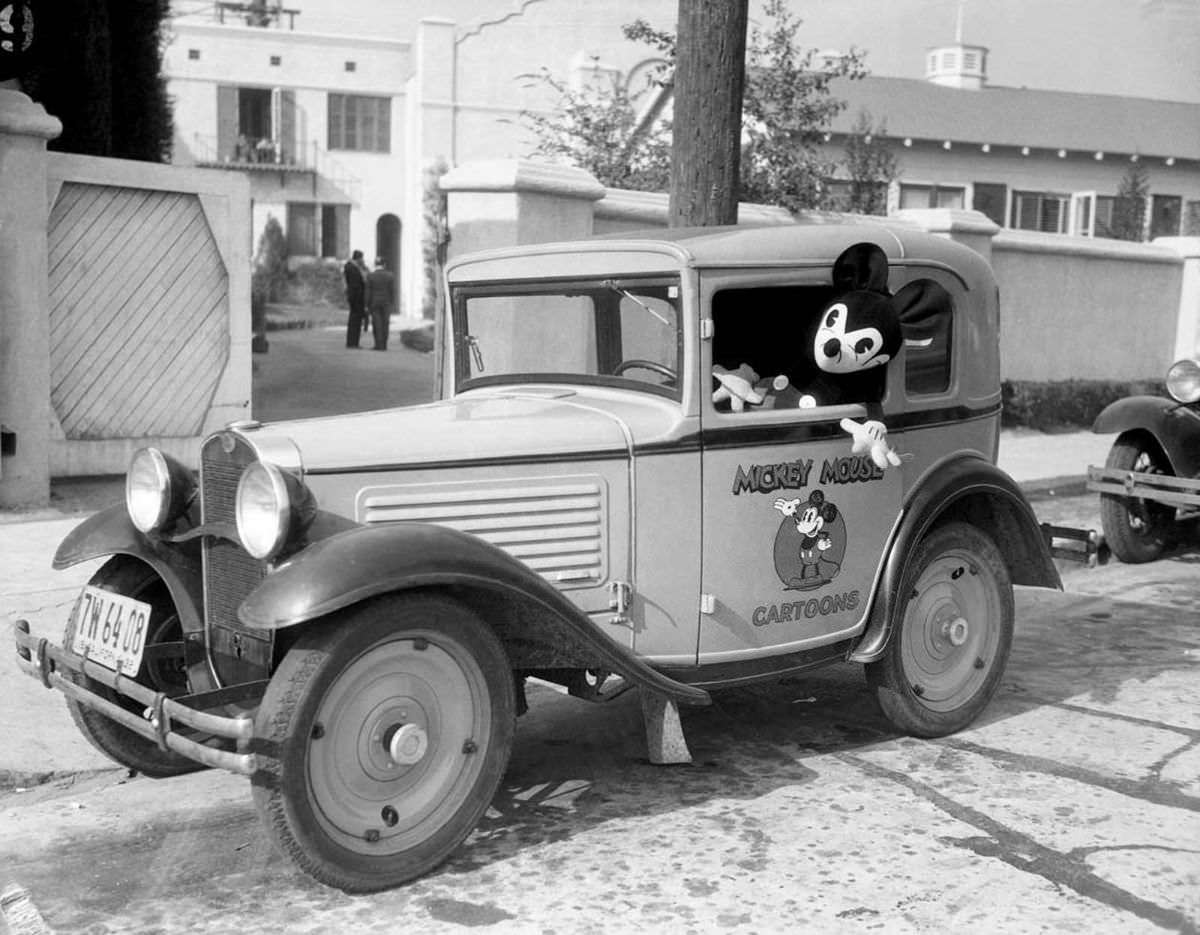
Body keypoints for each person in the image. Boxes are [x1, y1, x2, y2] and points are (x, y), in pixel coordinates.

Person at [365, 257, 396, 351]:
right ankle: (384, 344)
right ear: (384, 265)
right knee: (385, 324)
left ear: (375, 265)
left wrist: (366, 304)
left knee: (376, 324)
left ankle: (378, 345)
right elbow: (392, 291)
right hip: (386, 303)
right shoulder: (390, 275)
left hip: (374, 303)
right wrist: (392, 302)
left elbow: (367, 292)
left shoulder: (370, 276)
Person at [342, 249, 368, 348]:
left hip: (355, 296)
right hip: (356, 297)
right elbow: (355, 285)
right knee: (355, 321)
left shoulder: (352, 267)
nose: (363, 260)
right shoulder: (353, 268)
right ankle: (353, 342)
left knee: (355, 320)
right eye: (362, 258)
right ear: (358, 258)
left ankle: (353, 342)